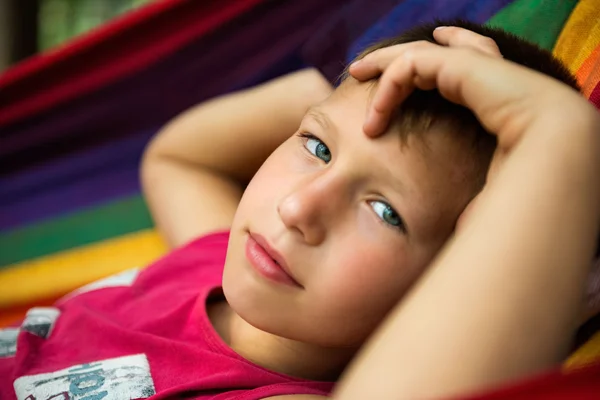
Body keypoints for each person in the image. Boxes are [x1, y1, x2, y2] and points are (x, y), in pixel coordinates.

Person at [0, 21, 596, 400]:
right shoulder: (216, 255)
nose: (298, 207)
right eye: (317, 148)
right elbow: (179, 157)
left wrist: (560, 137)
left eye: (385, 210)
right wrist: (355, 76)